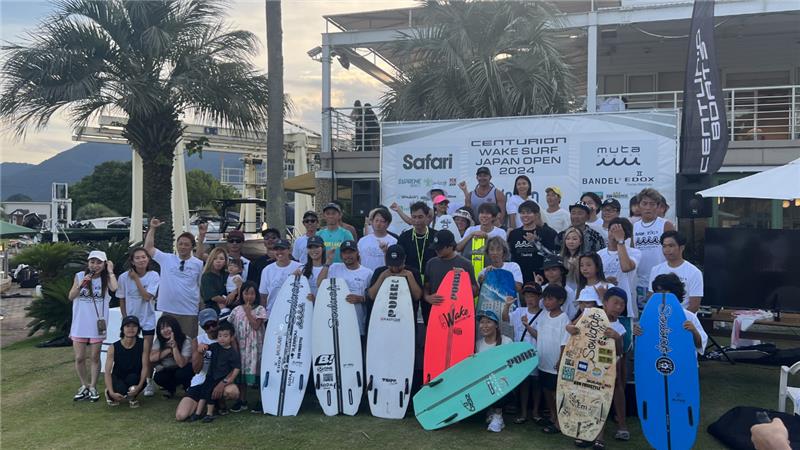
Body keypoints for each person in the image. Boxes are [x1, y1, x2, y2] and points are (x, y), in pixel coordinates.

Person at [567, 287, 630, 446]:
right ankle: (583, 431)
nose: (618, 307)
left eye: (622, 305)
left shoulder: (620, 327)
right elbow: (571, 327)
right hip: (587, 366)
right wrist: (572, 329)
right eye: (615, 303)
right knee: (586, 397)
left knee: (602, 399)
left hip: (608, 370)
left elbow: (621, 351)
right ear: (605, 302)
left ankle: (599, 436)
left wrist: (616, 338)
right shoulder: (590, 315)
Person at [68, 250, 117, 402]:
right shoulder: (80, 276)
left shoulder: (106, 278)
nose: (95, 265)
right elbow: (71, 296)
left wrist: (110, 271)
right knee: (79, 357)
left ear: (104, 263)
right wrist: (83, 283)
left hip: (97, 324)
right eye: (92, 262)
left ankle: (93, 385)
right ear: (88, 263)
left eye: (98, 262)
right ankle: (84, 385)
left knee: (95, 356)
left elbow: (115, 288)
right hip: (80, 322)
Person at [145, 217, 203, 338]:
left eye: (186, 244)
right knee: (165, 345)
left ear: (192, 247)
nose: (182, 247)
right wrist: (152, 229)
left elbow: (200, 286)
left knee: (188, 346)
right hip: (168, 310)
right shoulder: (166, 259)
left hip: (189, 311)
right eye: (180, 244)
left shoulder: (198, 264)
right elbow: (148, 249)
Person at [117, 247, 159, 396]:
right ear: (132, 261)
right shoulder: (123, 277)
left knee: (146, 353)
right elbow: (121, 298)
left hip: (147, 320)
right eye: (138, 258)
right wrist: (125, 318)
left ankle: (148, 382)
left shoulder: (153, 275)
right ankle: (130, 381)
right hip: (130, 320)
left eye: (144, 257)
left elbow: (147, 296)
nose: (142, 260)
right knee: (131, 351)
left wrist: (136, 279)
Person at [502, 282, 545, 425]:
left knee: (537, 384)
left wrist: (527, 326)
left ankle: (536, 412)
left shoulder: (544, 314)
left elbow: (541, 337)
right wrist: (507, 305)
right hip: (521, 355)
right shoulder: (519, 311)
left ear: (539, 297)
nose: (529, 299)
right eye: (527, 296)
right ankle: (524, 413)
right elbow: (505, 319)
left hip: (538, 353)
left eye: (532, 296)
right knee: (524, 384)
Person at [531, 285, 570, 435]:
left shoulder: (564, 318)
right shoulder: (542, 316)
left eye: (550, 299)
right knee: (546, 390)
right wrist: (527, 326)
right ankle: (553, 416)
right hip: (543, 362)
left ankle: (560, 423)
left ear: (560, 301)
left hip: (555, 364)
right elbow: (539, 335)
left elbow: (564, 343)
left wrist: (561, 360)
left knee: (557, 393)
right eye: (545, 299)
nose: (547, 302)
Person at [185, 321, 240, 423]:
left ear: (231, 337)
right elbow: (206, 347)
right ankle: (197, 413)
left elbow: (236, 367)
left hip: (220, 378)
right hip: (210, 376)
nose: (222, 338)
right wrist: (202, 346)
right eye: (219, 336)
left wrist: (229, 380)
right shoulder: (215, 346)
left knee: (210, 394)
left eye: (225, 336)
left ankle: (209, 414)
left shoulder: (232, 353)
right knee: (203, 393)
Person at [640, 273, 707, 356]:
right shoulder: (650, 315)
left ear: (675, 292)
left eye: (664, 292)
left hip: (682, 361)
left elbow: (700, 345)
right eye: (658, 293)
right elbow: (645, 342)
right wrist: (638, 332)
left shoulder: (688, 316)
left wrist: (694, 331)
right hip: (657, 362)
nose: (662, 296)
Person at [318, 240, 374, 338]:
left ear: (357, 253)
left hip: (358, 324)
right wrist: (327, 262)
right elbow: (319, 284)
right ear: (341, 255)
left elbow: (373, 297)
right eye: (345, 253)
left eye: (351, 252)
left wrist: (361, 299)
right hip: (336, 323)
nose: (348, 255)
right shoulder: (334, 267)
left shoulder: (368, 273)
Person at [423, 230, 479, 324]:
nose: (437, 250)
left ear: (450, 246)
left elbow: (475, 292)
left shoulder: (465, 264)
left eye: (440, 248)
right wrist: (427, 297)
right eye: (436, 248)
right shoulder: (431, 263)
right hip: (436, 312)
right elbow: (426, 286)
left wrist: (464, 279)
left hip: (459, 315)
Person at [226, 281, 266, 413]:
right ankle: (242, 400)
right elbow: (230, 327)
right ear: (241, 294)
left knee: (258, 374)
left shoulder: (260, 310)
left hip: (255, 347)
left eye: (252, 294)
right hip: (240, 346)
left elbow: (256, 326)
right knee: (241, 374)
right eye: (246, 293)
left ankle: (262, 401)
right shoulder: (236, 310)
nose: (249, 297)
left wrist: (249, 312)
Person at [633, 188, 675, 307]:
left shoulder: (666, 225)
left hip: (664, 281)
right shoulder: (634, 227)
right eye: (644, 203)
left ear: (657, 207)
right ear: (638, 206)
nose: (648, 207)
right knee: (646, 318)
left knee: (665, 316)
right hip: (642, 283)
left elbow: (675, 252)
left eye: (652, 204)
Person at [647, 231, 704, 312]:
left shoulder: (694, 272)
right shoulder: (656, 270)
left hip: (684, 321)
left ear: (681, 248)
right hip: (660, 319)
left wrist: (678, 319)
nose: (667, 250)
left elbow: (694, 306)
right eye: (664, 246)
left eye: (671, 246)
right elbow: (652, 298)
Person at [476, 310, 513, 432]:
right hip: (484, 383)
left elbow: (512, 366)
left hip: (502, 382)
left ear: (496, 325)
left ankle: (498, 415)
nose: (484, 326)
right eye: (482, 322)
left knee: (499, 381)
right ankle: (490, 411)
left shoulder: (507, 341)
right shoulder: (478, 344)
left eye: (488, 322)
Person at [597, 218, 641, 318]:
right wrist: (605, 281)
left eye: (618, 231)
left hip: (625, 307)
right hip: (602, 306)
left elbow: (626, 267)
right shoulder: (598, 255)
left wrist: (620, 241)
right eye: (612, 230)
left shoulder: (634, 253)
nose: (614, 234)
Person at [367, 244, 424, 320]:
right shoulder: (379, 271)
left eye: (398, 265)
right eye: (391, 265)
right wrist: (382, 277)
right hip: (383, 316)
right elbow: (371, 295)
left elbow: (417, 296)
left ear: (404, 259)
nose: (394, 268)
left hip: (406, 317)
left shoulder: (413, 272)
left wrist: (409, 276)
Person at [507, 200, 557, 284]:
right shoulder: (514, 234)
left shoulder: (547, 233)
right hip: (518, 280)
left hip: (541, 279)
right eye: (522, 213)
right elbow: (509, 257)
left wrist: (536, 243)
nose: (525, 215)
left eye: (529, 212)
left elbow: (553, 257)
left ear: (536, 215)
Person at [103, 315, 148, 408]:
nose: (131, 329)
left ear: (138, 329)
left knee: (136, 379)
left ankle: (132, 397)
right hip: (118, 376)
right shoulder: (113, 347)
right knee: (121, 389)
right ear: (122, 329)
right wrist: (111, 392)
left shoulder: (144, 343)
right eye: (127, 326)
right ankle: (109, 393)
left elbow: (145, 366)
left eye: (134, 326)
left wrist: (139, 387)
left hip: (134, 376)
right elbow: (107, 372)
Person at [150, 315, 194, 399]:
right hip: (167, 368)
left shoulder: (186, 340)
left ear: (174, 326)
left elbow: (182, 364)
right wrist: (168, 350)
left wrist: (174, 347)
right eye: (162, 328)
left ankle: (187, 388)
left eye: (168, 326)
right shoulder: (159, 340)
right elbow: (152, 358)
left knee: (182, 373)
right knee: (158, 377)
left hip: (182, 368)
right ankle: (170, 389)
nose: (165, 330)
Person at [457, 203, 507, 275]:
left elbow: (502, 253)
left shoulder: (500, 232)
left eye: (487, 213)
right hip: (469, 270)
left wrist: (487, 237)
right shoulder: (471, 229)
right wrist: (471, 235)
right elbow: (458, 248)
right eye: (481, 213)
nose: (484, 216)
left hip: (491, 271)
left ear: (493, 217)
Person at [258, 239, 303, 318]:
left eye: (282, 249)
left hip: (294, 314)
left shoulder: (300, 267)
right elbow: (263, 296)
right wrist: (262, 317)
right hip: (272, 314)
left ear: (289, 250)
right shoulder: (267, 270)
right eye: (276, 249)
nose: (279, 252)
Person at [397, 202, 436, 288]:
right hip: (410, 282)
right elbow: (399, 261)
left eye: (420, 217)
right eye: (414, 217)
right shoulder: (404, 237)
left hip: (432, 281)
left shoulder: (435, 236)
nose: (417, 220)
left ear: (427, 217)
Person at [535, 254, 577, 320]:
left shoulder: (569, 292)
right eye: (547, 270)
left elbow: (572, 315)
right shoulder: (542, 289)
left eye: (554, 269)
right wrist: (537, 288)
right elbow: (535, 310)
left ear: (562, 271)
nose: (550, 273)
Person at [201, 247, 233, 319]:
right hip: (214, 314)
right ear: (211, 260)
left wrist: (234, 293)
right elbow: (214, 297)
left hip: (230, 313)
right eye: (215, 258)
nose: (218, 261)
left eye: (221, 259)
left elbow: (239, 285)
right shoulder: (207, 276)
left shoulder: (227, 275)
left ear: (225, 261)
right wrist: (230, 301)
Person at [559, 226, 584, 292]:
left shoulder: (584, 258)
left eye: (574, 239)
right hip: (563, 289)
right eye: (568, 239)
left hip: (580, 288)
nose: (571, 242)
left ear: (580, 241)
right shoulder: (559, 257)